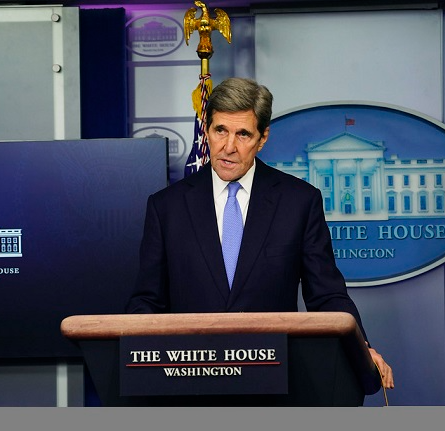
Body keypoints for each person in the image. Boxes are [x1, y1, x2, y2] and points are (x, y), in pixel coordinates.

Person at [125, 77, 394, 389]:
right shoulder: (166, 207)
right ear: (207, 131)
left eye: (242, 134)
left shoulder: (299, 202)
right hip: (188, 378)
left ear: (262, 138)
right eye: (220, 131)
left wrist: (362, 349)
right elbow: (147, 299)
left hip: (273, 378)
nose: (228, 147)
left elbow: (326, 295)